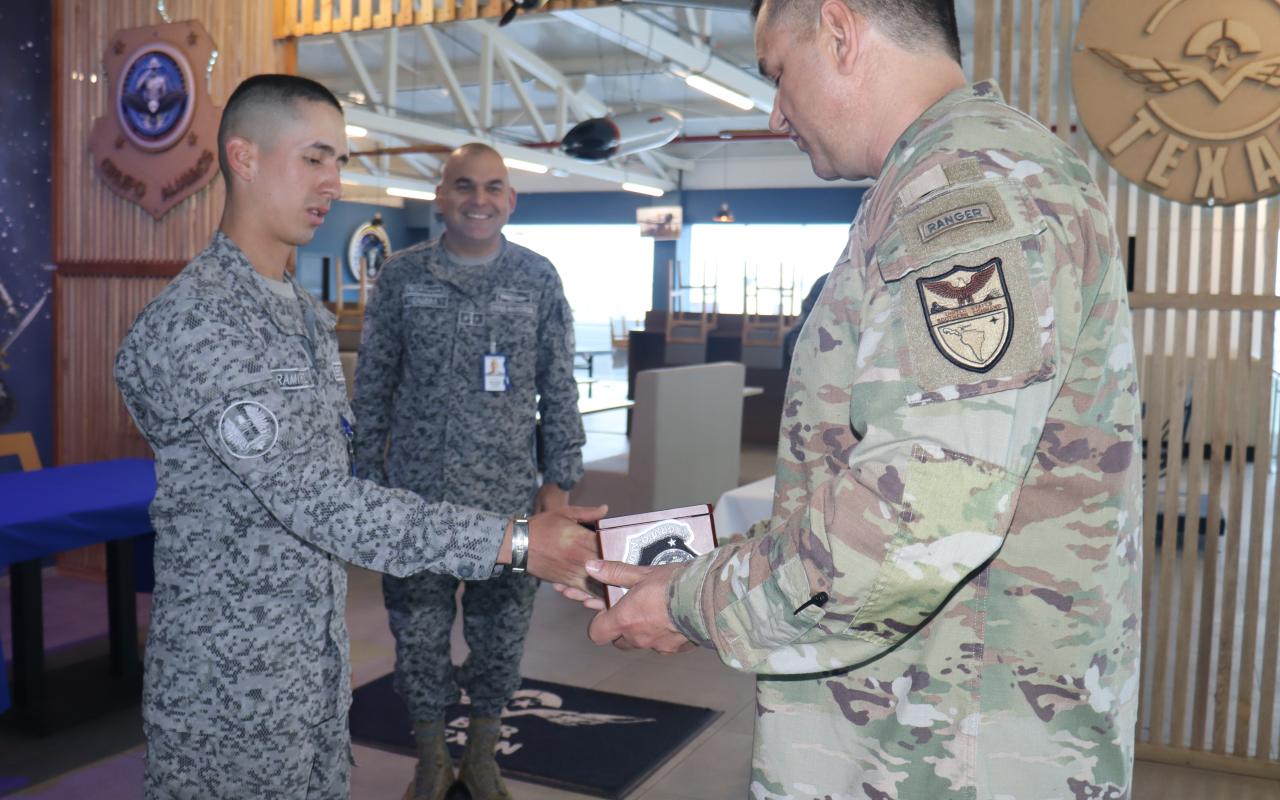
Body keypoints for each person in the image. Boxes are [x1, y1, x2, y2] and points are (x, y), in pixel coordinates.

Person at [557, 1, 1143, 797]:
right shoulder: (950, 179)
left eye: (776, 74)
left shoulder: (959, 198)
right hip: (927, 723)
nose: (774, 113)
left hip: (949, 748)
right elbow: (883, 474)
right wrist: (694, 566)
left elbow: (914, 521)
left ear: (839, 31)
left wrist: (694, 602)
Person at [114, 75, 603, 800]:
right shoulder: (201, 324)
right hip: (230, 679)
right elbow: (320, 503)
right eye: (314, 159)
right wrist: (521, 542)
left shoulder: (303, 317)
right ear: (244, 158)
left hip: (310, 662)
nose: (334, 183)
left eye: (340, 161)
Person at [351, 142, 586, 800]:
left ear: (510, 200)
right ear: (440, 196)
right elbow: (372, 390)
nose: (477, 200)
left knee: (500, 637)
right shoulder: (401, 278)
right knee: (418, 637)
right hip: (415, 502)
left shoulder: (536, 278)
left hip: (507, 504)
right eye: (463, 186)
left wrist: (557, 487)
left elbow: (558, 389)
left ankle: (482, 754)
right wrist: (366, 486)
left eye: (492, 188)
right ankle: (431, 757)